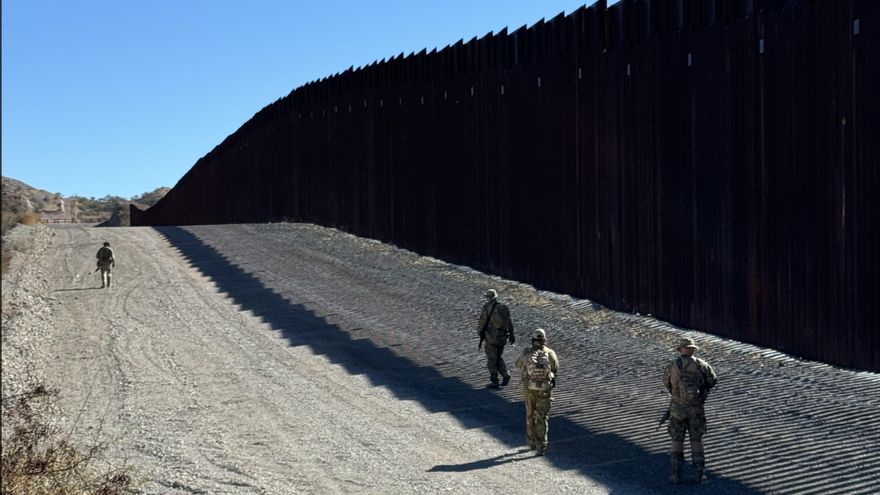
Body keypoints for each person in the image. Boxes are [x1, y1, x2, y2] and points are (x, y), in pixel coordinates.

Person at [662, 337, 718, 484]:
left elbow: (666, 383)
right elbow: (713, 380)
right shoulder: (702, 365)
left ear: (680, 349)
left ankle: (675, 475)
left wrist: (677, 395)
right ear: (693, 349)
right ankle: (698, 475)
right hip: (696, 409)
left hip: (677, 409)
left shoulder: (672, 366)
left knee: (676, 440)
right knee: (696, 440)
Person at [515, 328, 559, 456]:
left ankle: (531, 441)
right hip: (545, 389)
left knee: (530, 414)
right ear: (545, 340)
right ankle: (542, 445)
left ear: (533, 340)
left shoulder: (527, 353)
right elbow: (555, 368)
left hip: (529, 389)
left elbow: (518, 365)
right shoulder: (550, 353)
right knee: (542, 416)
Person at [476, 289, 516, 388]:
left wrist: (481, 333)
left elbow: (482, 322)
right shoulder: (503, 308)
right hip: (502, 337)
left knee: (491, 358)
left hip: (491, 337)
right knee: (498, 357)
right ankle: (505, 374)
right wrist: (512, 334)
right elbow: (509, 322)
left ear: (488, 298)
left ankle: (494, 380)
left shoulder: (486, 308)